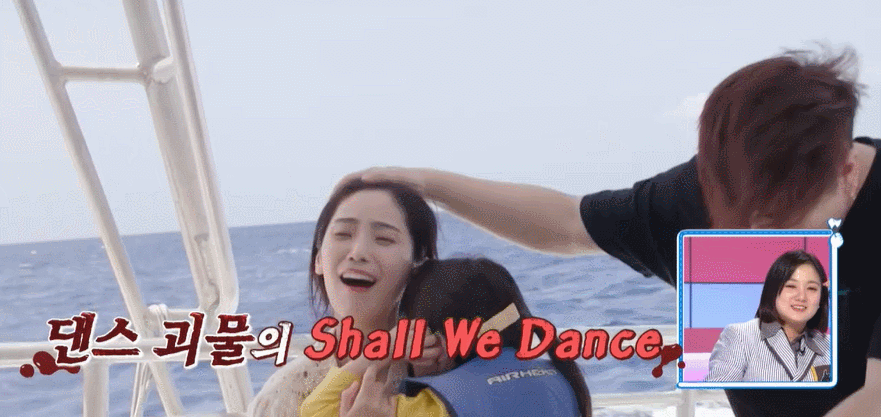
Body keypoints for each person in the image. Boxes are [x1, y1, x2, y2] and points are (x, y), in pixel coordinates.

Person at [337, 46, 881, 416]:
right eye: (727, 219)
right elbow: (566, 223)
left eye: (771, 225)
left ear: (847, 174)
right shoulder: (710, 193)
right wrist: (427, 183)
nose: (742, 239)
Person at [299, 257, 591, 417]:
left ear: (433, 344)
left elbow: (315, 410)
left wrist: (384, 349)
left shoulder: (430, 409)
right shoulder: (564, 379)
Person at [247, 179, 443, 417]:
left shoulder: (448, 363)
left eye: (384, 239)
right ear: (318, 259)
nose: (358, 253)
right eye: (342, 234)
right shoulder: (282, 397)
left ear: (419, 264)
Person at [706, 250, 831, 382]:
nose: (801, 297)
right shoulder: (741, 336)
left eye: (811, 288)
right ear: (773, 290)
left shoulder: (830, 346)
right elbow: (719, 392)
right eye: (791, 286)